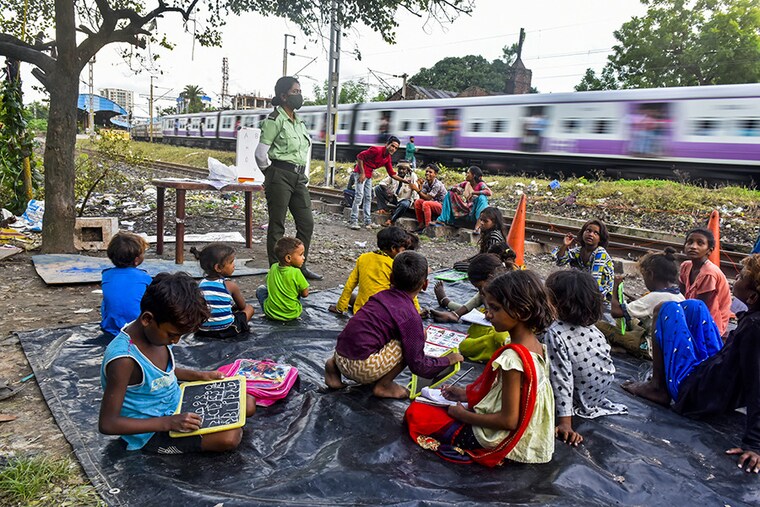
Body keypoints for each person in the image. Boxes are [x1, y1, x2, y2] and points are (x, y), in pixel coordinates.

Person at [623, 254, 760, 473]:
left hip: (696, 393)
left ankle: (658, 388)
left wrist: (754, 443)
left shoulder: (755, 328)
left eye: (742, 276)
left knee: (663, 309)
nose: (735, 280)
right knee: (695, 306)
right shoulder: (753, 319)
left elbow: (757, 383)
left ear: (752, 296)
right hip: (715, 377)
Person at [405, 270, 555, 466]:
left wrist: (463, 415)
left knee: (417, 412)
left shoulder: (513, 359)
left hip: (501, 439)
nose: (488, 314)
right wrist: (463, 394)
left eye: (495, 308)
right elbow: (509, 395)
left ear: (521, 311)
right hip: (532, 437)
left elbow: (508, 421)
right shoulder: (537, 347)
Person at [99, 272, 256, 454]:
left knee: (248, 403)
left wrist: (200, 376)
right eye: (173, 335)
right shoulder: (124, 361)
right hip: (152, 431)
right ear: (147, 319)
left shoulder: (157, 335)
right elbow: (108, 424)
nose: (176, 341)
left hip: (177, 403)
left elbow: (161, 374)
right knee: (229, 437)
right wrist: (168, 423)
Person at [324, 251, 464, 399]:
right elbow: (418, 365)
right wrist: (448, 360)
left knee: (362, 331)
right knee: (416, 337)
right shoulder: (410, 316)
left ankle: (332, 369)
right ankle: (384, 385)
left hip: (339, 355)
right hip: (362, 369)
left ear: (390, 278)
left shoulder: (378, 297)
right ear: (425, 285)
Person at [543, 270, 628, 446]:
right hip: (596, 397)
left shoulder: (554, 332)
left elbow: (561, 379)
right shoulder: (592, 328)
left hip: (578, 401)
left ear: (557, 302)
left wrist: (565, 423)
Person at [255, 76, 322, 280]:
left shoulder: (299, 123)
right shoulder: (274, 121)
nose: (299, 96)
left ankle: (298, 267)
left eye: (300, 91)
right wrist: (270, 174)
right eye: (295, 92)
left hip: (298, 177)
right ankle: (278, 271)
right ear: (283, 96)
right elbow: (260, 154)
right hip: (279, 174)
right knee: (278, 224)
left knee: (306, 223)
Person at [433, 253, 514, 363]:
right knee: (474, 332)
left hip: (505, 337)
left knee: (466, 346)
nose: (481, 293)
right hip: (502, 333)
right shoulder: (496, 285)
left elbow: (502, 336)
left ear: (490, 278)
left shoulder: (510, 293)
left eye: (480, 288)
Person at [607, 247, 684, 356]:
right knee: (633, 323)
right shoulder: (678, 294)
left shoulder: (656, 297)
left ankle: (626, 348)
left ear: (651, 274)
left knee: (602, 326)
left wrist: (615, 287)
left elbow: (616, 312)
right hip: (669, 346)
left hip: (651, 347)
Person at [328, 226, 421, 316]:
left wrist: (340, 307)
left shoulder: (363, 258)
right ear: (393, 248)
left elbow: (350, 285)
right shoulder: (395, 264)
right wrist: (417, 312)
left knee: (353, 296)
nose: (403, 253)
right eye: (403, 250)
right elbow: (408, 289)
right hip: (386, 314)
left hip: (361, 310)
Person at [190, 244, 255, 338]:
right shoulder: (230, 285)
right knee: (250, 308)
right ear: (218, 268)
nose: (234, 265)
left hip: (203, 330)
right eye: (231, 262)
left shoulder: (200, 284)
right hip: (228, 329)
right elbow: (242, 306)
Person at [679, 227, 732, 336]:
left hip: (711, 322)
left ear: (710, 250)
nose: (693, 246)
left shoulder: (708, 273)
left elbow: (701, 308)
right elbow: (681, 296)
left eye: (700, 243)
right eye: (690, 242)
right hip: (692, 313)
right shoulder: (685, 266)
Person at [554, 219, 615, 313]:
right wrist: (565, 245)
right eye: (588, 231)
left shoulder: (600, 253)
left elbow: (595, 282)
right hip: (584, 292)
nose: (591, 234)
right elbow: (560, 262)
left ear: (600, 239)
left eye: (596, 233)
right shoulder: (579, 251)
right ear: (582, 233)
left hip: (600, 297)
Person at [101, 232, 152, 338]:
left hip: (111, 328)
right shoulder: (144, 277)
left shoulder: (106, 275)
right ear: (136, 260)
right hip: (139, 327)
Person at [349, 136, 406, 230]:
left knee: (368, 197)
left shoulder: (387, 158)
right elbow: (359, 157)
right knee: (359, 196)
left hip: (368, 175)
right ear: (387, 144)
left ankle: (367, 222)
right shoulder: (376, 150)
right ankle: (353, 221)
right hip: (360, 173)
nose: (393, 149)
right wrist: (362, 173)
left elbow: (392, 174)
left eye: (396, 148)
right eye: (392, 146)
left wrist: (405, 181)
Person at [256, 237, 310, 322]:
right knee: (297, 290)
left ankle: (267, 311)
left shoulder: (273, 267)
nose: (303, 258)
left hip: (271, 313)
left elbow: (268, 282)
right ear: (288, 258)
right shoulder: (296, 272)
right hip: (292, 314)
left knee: (261, 289)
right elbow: (305, 294)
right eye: (301, 255)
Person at [452, 206, 508, 272]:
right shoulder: (489, 233)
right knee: (460, 264)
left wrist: (473, 264)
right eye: (481, 220)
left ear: (494, 223)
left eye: (485, 221)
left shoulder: (494, 237)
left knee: (458, 266)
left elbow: (490, 260)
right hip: (486, 264)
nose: (481, 223)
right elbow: (482, 254)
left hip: (490, 268)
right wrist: (468, 260)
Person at [373, 161, 418, 226]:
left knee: (404, 205)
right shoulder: (395, 174)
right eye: (400, 169)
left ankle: (392, 220)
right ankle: (383, 209)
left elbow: (415, 189)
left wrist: (415, 200)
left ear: (407, 170)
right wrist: (387, 190)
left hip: (405, 199)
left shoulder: (412, 176)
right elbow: (382, 183)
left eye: (403, 169)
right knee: (378, 188)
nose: (401, 171)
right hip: (393, 197)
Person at [410, 163, 447, 232]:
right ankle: (421, 223)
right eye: (426, 171)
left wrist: (417, 189)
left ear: (435, 174)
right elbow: (422, 196)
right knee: (418, 202)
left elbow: (428, 198)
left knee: (426, 203)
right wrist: (420, 186)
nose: (427, 173)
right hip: (434, 203)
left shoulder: (437, 185)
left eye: (430, 172)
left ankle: (427, 227)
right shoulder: (426, 183)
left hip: (442, 207)